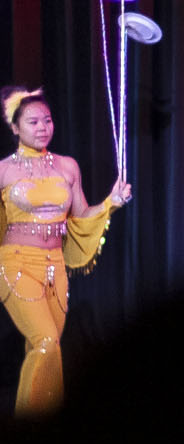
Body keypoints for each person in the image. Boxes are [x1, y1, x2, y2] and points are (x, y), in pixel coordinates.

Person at [0, 86, 130, 413]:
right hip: (15, 263)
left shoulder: (67, 166)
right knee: (46, 343)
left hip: (54, 267)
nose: (42, 127)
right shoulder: (3, 170)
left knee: (46, 346)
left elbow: (81, 216)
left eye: (47, 120)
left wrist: (111, 202)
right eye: (33, 122)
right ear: (14, 127)